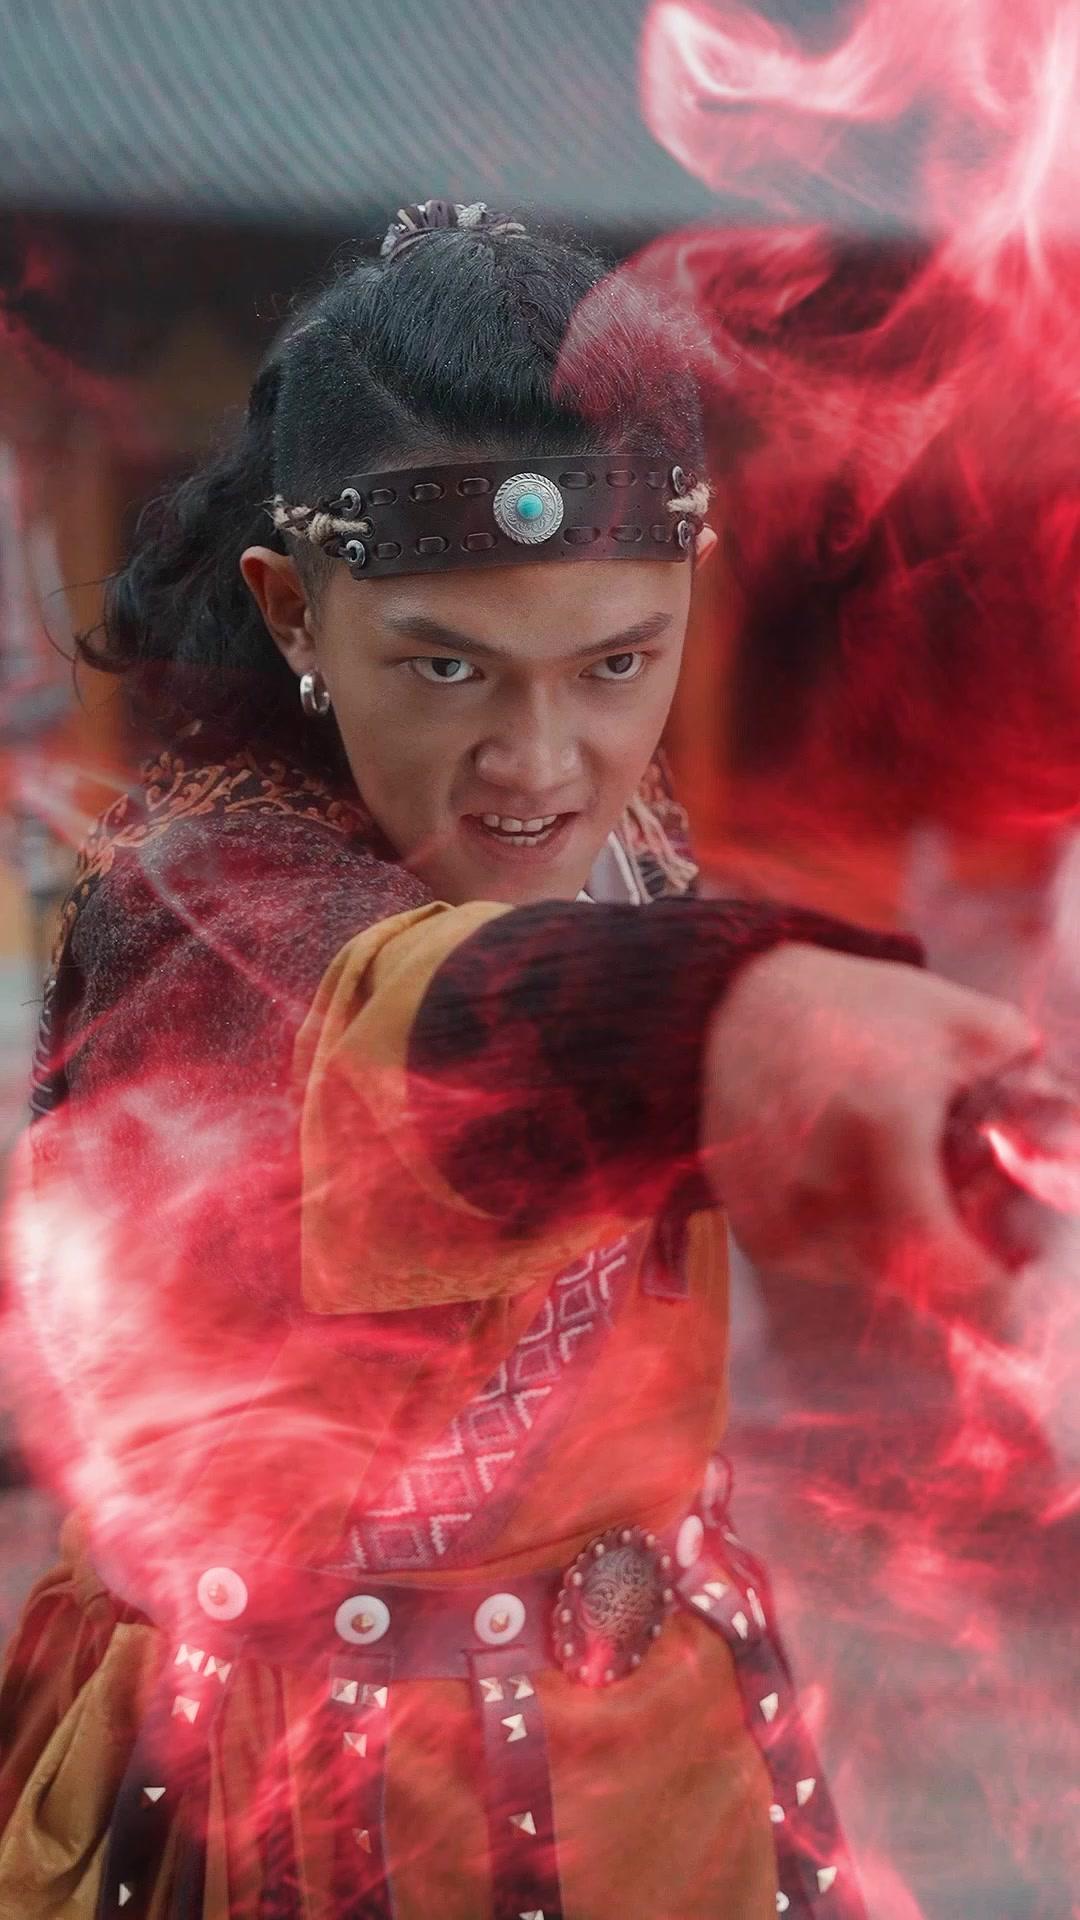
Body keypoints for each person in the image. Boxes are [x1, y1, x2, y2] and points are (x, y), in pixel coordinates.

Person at [0, 200, 1036, 1920]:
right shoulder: (202, 905)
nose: (540, 764)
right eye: (446, 668)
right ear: (293, 611)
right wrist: (736, 1021)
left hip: (672, 1789)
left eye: (617, 663)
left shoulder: (634, 848)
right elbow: (430, 1020)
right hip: (304, 1810)